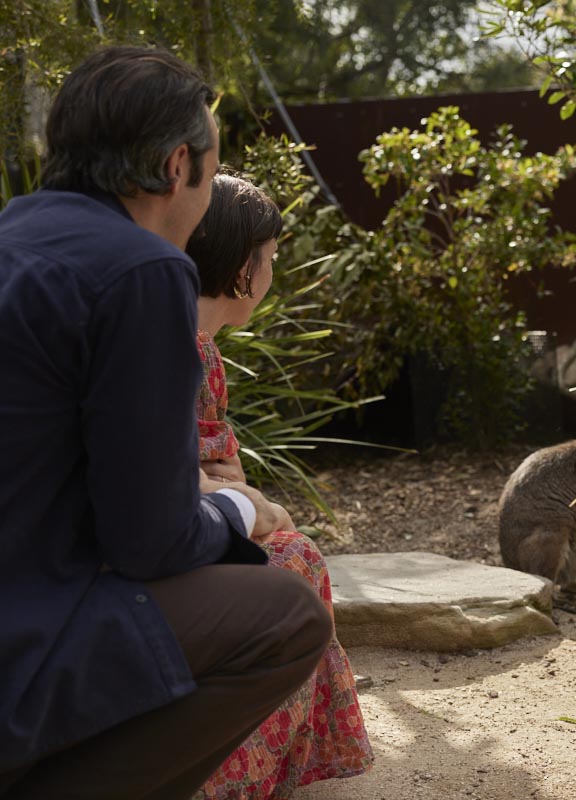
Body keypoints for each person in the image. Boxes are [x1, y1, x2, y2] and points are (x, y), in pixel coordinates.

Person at [0, 47, 332, 798]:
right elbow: (151, 542)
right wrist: (242, 506)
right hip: (27, 627)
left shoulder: (13, 240)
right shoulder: (141, 269)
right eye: (214, 179)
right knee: (285, 613)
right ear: (177, 166)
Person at [186, 173, 374, 796]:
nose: (272, 272)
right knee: (295, 561)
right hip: (145, 542)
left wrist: (244, 501)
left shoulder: (200, 349)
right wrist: (258, 509)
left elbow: (217, 467)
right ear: (244, 271)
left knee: (293, 551)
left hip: (191, 522)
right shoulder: (169, 346)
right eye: (269, 259)